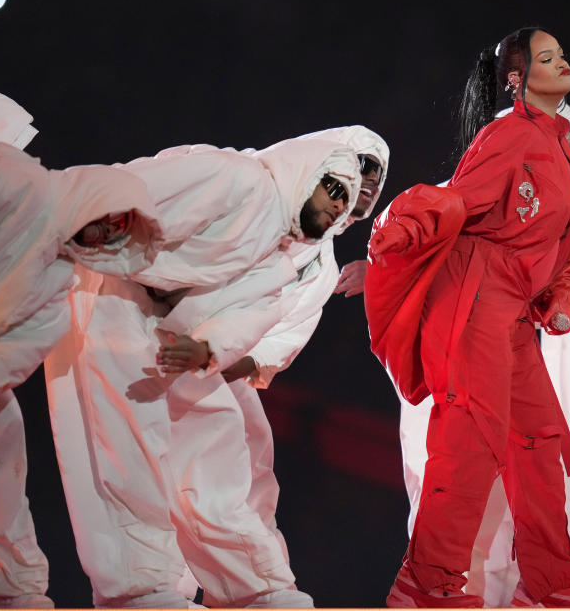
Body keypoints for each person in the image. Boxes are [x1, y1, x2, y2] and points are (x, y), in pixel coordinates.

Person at [43, 136, 360, 608]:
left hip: (180, 341)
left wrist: (209, 348)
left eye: (349, 199)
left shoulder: (283, 253)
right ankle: (142, 588)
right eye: (333, 186)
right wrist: (79, 227)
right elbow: (138, 188)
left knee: (219, 458)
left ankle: (254, 588)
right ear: (306, 169)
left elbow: (258, 311)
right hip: (110, 297)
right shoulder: (237, 178)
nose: (338, 204)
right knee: (123, 450)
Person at [365, 27, 570, 608]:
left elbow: (561, 248)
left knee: (538, 443)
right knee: (470, 443)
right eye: (548, 58)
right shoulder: (510, 134)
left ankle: (552, 587)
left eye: (563, 54)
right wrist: (399, 232)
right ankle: (429, 589)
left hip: (513, 311)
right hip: (474, 298)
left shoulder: (556, 144)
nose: (564, 62)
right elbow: (458, 200)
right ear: (519, 80)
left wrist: (561, 295)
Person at [0, 77, 161, 609]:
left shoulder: (58, 272)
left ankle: (1, 587)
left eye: (119, 231)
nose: (107, 233)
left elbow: (30, 338)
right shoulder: (19, 183)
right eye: (111, 218)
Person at [216, 126, 389, 587]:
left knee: (249, 470)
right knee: (161, 488)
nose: (361, 187)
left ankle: (260, 593)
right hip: (141, 334)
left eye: (372, 181)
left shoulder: (319, 268)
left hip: (209, 370)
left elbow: (271, 350)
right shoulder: (244, 185)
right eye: (351, 175)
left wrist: (212, 363)